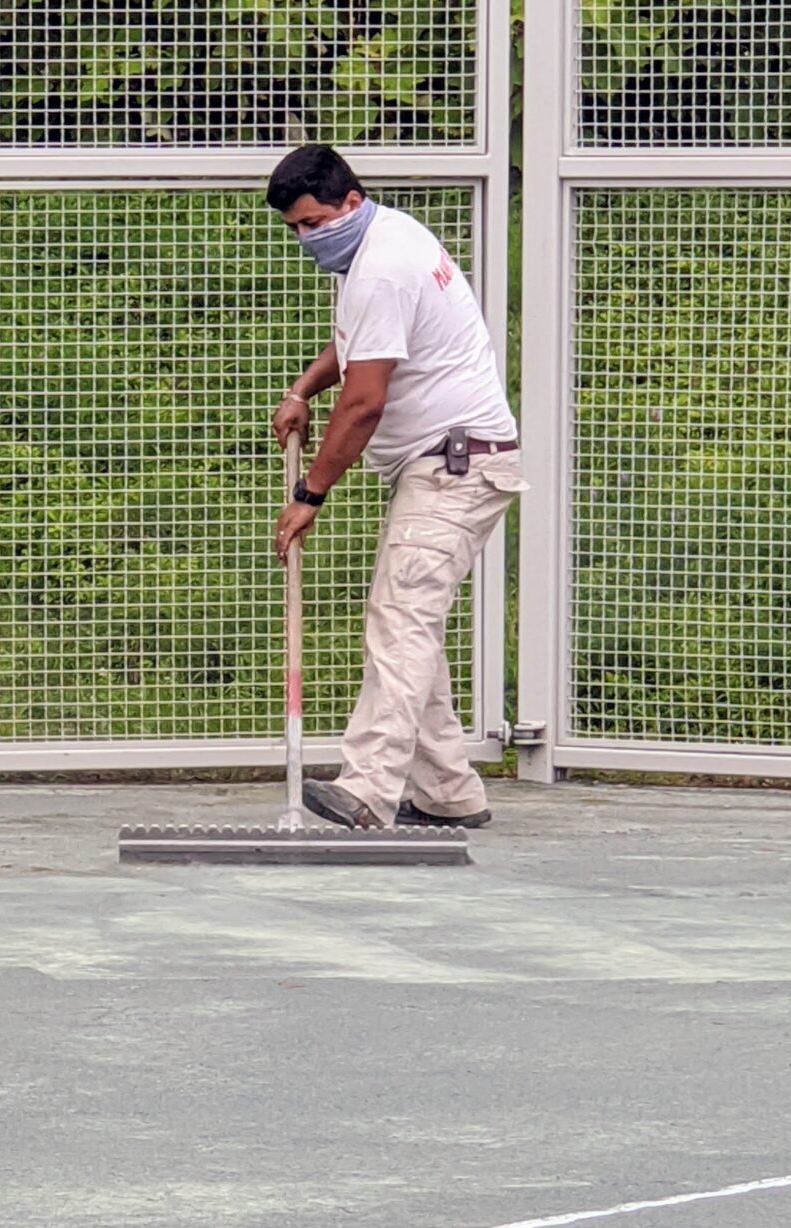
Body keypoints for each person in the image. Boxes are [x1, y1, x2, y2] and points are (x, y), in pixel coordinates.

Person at [267, 145, 525, 831]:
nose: (307, 239)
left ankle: (367, 789)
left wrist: (309, 494)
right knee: (408, 622)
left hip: (455, 465)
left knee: (401, 621)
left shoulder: (381, 266)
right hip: (451, 461)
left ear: (351, 201)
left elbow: (364, 403)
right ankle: (448, 793)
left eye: (314, 222)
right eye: (295, 229)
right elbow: (361, 343)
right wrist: (302, 389)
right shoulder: (386, 238)